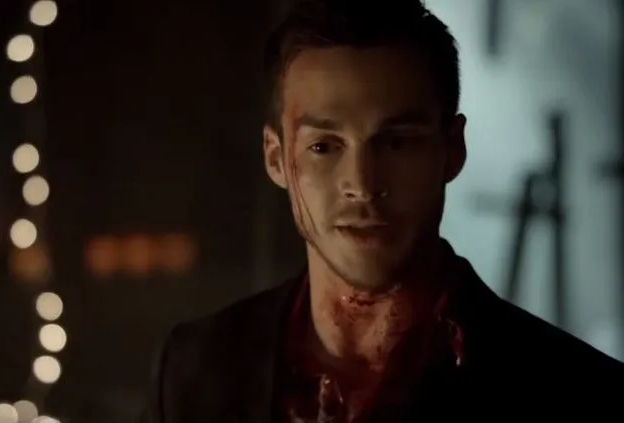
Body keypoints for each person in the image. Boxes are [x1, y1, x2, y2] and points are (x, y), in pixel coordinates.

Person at [141, 0, 624, 422]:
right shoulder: (195, 369)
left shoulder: (576, 391)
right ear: (276, 159)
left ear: (452, 149)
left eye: (397, 142)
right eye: (324, 146)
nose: (362, 184)